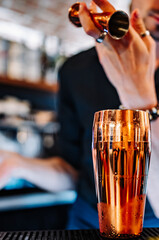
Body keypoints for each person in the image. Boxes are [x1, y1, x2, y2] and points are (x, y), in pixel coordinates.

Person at [0, 0, 159, 229]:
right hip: (86, 223)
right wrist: (16, 164)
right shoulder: (76, 70)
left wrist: (140, 100)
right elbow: (71, 171)